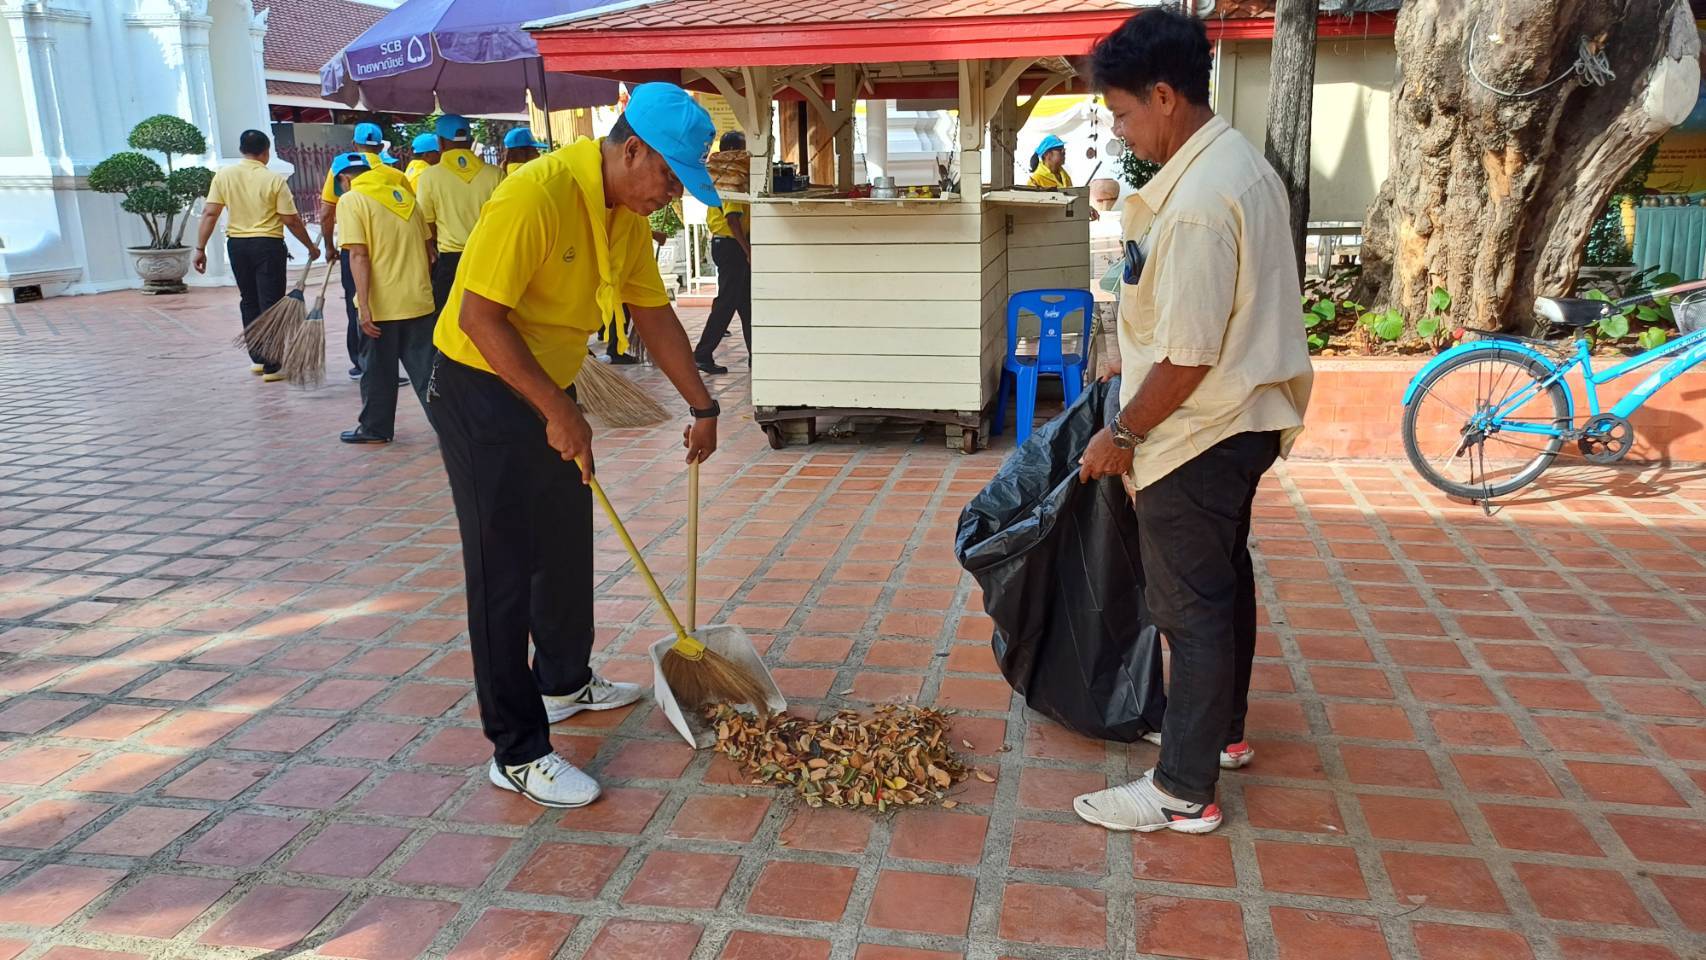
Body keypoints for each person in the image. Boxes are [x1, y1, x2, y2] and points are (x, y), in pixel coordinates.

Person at [430, 82, 722, 809]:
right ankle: (518, 750)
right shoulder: (535, 196)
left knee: (563, 542)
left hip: (549, 391)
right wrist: (559, 410)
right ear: (632, 150)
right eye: (670, 179)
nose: (672, 197)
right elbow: (479, 319)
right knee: (502, 569)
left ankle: (563, 681)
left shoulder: (622, 215)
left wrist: (703, 403)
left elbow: (652, 314)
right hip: (478, 389)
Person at [1073, 7, 1313, 835]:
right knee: (1223, 583)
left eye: (1123, 112)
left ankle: (1182, 788)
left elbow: (1189, 356)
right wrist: (1125, 359)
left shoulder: (1205, 199)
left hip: (1199, 432)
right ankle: (1226, 734)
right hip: (1237, 422)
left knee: (1190, 608)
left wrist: (1122, 434)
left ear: (1166, 95)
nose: (1120, 131)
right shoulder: (1232, 164)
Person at [330, 153, 437, 446]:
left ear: (345, 178)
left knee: (377, 369)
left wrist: (363, 306)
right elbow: (430, 253)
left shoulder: (353, 200)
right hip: (418, 300)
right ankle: (451, 426)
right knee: (428, 373)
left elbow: (359, 254)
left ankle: (375, 429)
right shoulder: (405, 197)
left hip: (382, 306)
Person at [193, 129, 316, 381]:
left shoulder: (223, 176)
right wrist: (311, 247)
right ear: (266, 152)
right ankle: (272, 365)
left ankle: (258, 359)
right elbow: (290, 220)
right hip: (268, 245)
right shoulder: (273, 180)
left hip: (237, 245)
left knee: (248, 300)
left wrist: (200, 248)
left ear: (241, 150)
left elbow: (209, 213)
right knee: (270, 302)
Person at [318, 121, 411, 383]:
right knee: (392, 301)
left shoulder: (342, 169)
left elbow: (326, 212)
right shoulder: (394, 174)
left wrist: (329, 246)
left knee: (358, 303)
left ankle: (363, 363)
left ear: (355, 145)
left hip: (356, 247)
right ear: (381, 146)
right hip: (394, 248)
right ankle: (394, 362)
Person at [414, 114, 500, 315]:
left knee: (450, 320)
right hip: (489, 257)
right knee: (490, 318)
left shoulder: (429, 177)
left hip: (452, 261)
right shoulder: (494, 174)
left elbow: (428, 225)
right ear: (470, 140)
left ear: (441, 142)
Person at [693, 131, 751, 375]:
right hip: (731, 245)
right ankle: (702, 353)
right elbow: (732, 218)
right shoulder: (729, 173)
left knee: (746, 303)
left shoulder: (723, 171)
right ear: (733, 150)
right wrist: (747, 250)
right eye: (743, 148)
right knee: (727, 303)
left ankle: (756, 355)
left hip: (727, 244)